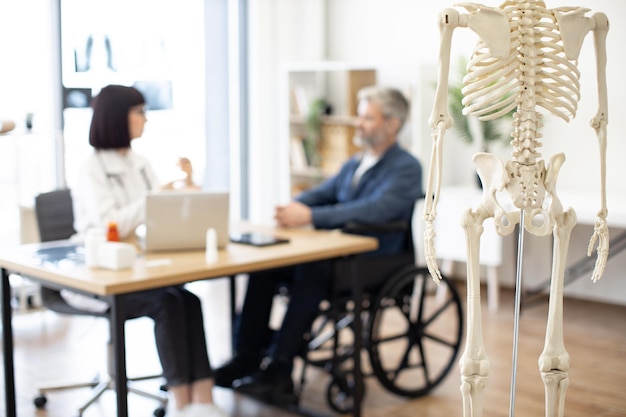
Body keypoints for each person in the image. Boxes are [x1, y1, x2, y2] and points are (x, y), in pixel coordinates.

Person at [214, 86, 423, 405]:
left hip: (376, 258)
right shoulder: (356, 163)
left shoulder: (406, 167)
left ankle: (281, 369)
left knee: (314, 269)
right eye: (360, 116)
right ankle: (247, 356)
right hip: (341, 251)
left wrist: (311, 215)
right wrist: (293, 207)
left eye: (367, 118)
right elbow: (323, 192)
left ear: (392, 124)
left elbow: (376, 210)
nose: (358, 123)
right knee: (265, 264)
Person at [71, 85, 227, 417]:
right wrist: (154, 197)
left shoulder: (140, 162)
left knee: (188, 300)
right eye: (140, 112)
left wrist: (186, 184)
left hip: (138, 264)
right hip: (97, 274)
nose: (145, 120)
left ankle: (204, 397)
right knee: (166, 302)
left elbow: (158, 214)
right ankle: (180, 401)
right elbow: (111, 224)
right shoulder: (92, 168)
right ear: (118, 117)